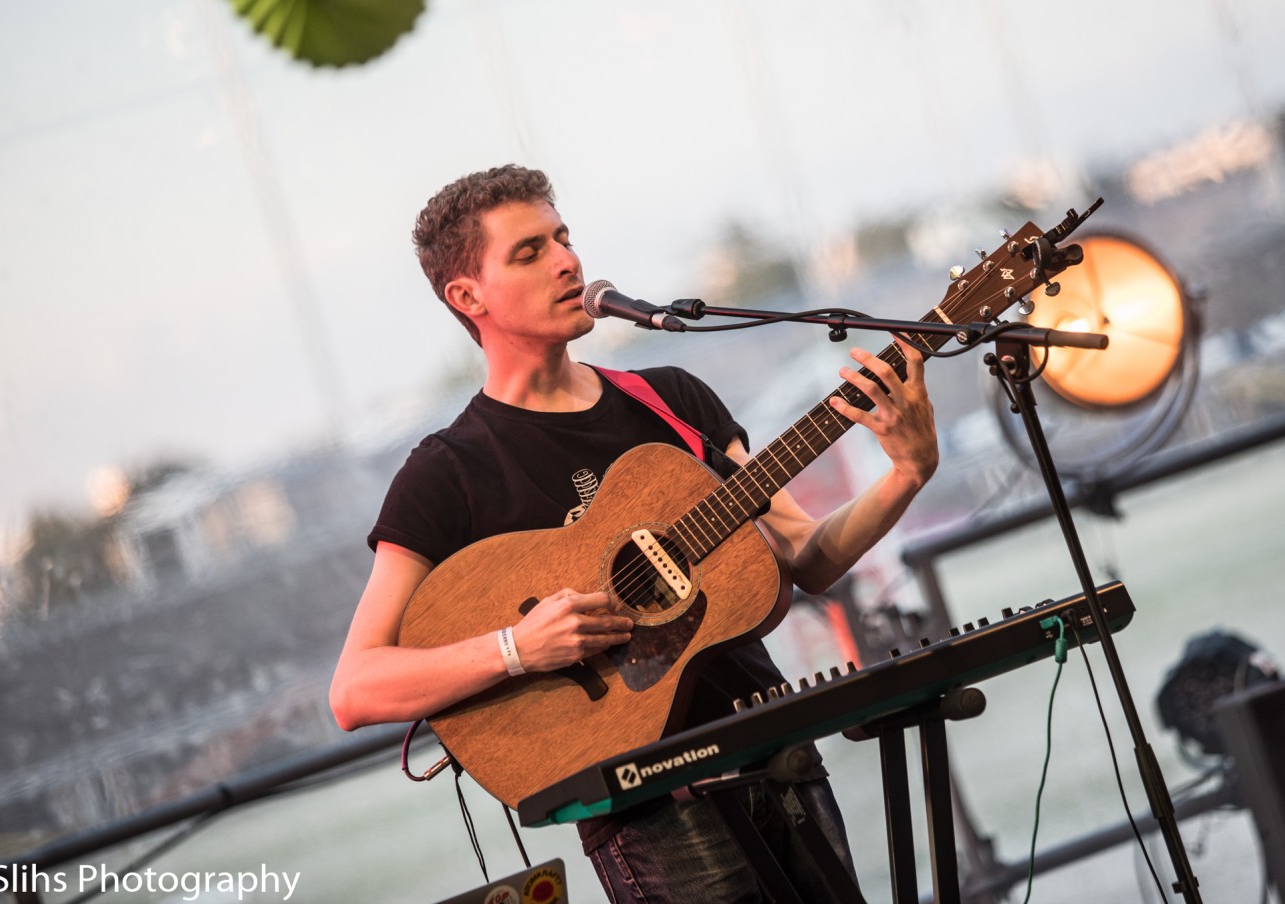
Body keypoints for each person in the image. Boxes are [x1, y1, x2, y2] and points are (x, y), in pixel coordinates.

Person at [329, 164, 939, 902]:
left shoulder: (670, 400)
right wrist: (518, 649)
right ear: (468, 296)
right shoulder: (449, 472)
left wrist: (905, 473)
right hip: (652, 813)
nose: (567, 261)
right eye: (530, 252)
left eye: (563, 238)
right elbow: (356, 688)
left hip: (778, 753)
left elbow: (803, 558)